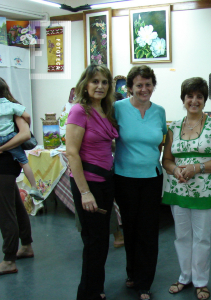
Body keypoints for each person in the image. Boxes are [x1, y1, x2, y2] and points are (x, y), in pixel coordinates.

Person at [162, 77, 211, 300]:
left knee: (201, 238)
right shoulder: (174, 126)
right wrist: (175, 170)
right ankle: (184, 276)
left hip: (204, 190)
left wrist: (197, 167)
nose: (194, 100)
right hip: (178, 189)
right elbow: (167, 160)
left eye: (199, 96)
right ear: (183, 99)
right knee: (182, 236)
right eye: (190, 96)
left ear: (204, 100)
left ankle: (201, 281)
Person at [113, 65, 167, 300]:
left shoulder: (160, 111)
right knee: (131, 229)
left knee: (148, 231)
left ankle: (144, 281)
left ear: (153, 86)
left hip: (152, 178)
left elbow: (162, 141)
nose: (144, 89)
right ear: (130, 88)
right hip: (124, 177)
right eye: (139, 85)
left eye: (148, 84)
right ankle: (131, 273)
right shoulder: (118, 108)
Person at [66, 64, 118, 300]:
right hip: (89, 183)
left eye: (105, 82)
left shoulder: (104, 111)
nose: (100, 86)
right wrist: (85, 192)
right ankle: (86, 294)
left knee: (100, 242)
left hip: (105, 181)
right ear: (85, 85)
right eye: (95, 81)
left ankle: (96, 289)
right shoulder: (79, 111)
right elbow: (72, 153)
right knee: (93, 242)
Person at [0, 114, 34, 276]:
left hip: (4, 165)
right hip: (7, 164)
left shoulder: (11, 110)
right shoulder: (11, 109)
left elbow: (25, 134)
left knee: (5, 212)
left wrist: (2, 147)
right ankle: (26, 245)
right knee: (15, 205)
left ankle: (9, 260)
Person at [0, 77, 43, 200]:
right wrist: (28, 124)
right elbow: (27, 117)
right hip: (9, 137)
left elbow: (25, 135)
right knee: (24, 161)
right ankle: (34, 186)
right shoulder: (11, 106)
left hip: (5, 166)